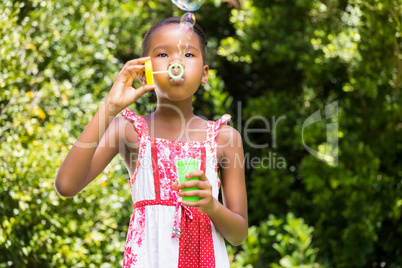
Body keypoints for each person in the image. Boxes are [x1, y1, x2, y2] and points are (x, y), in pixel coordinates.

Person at [55, 17, 248, 267]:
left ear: (204, 74)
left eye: (188, 54)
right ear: (145, 73)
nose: (176, 62)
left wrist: (212, 205)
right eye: (163, 54)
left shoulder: (224, 138)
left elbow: (239, 234)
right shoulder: (129, 131)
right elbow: (66, 185)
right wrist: (109, 108)